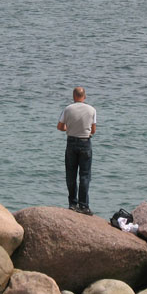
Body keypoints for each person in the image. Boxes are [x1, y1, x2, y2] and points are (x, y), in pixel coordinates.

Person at [57, 86, 96, 214]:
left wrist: (68, 129)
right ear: (84, 97)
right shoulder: (91, 110)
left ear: (74, 96)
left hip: (71, 142)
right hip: (85, 142)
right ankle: (83, 205)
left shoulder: (68, 109)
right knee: (85, 175)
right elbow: (93, 130)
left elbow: (60, 126)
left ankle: (72, 204)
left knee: (71, 174)